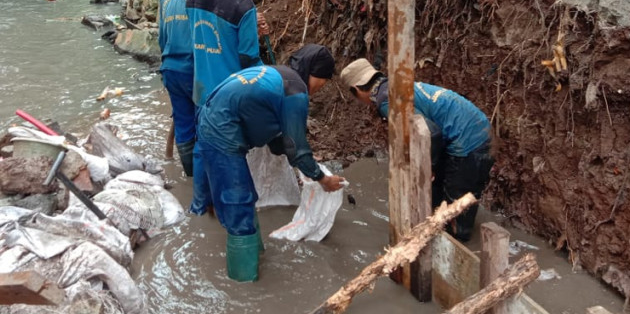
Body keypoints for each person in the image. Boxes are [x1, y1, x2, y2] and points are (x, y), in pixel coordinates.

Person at [190, 44, 345, 282]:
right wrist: (322, 178)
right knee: (238, 201)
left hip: (211, 118)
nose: (320, 88)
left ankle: (254, 254)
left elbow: (277, 142)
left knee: (246, 195)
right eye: (322, 81)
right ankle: (243, 285)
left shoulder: (280, 75)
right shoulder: (295, 91)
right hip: (220, 132)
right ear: (312, 71)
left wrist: (303, 162)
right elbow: (296, 147)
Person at [340, 58, 494, 242]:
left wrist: (427, 167)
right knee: (455, 194)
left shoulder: (386, 101)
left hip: (467, 140)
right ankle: (445, 228)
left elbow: (432, 133)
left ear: (356, 90)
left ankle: (457, 244)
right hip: (479, 127)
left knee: (456, 206)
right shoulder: (396, 85)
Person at [185, 0, 268, 108]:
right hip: (230, 100)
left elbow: (200, 37)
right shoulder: (243, 6)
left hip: (201, 97)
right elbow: (249, 59)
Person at [157, 0, 216, 176]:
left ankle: (190, 178)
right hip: (196, 69)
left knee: (183, 125)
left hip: (171, 68)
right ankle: (204, 181)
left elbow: (162, 38)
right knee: (204, 125)